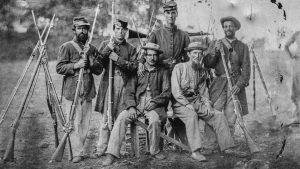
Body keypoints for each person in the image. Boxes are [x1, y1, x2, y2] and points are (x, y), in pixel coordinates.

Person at [172, 41, 247, 162]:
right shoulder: (179, 68)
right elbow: (176, 91)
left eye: (200, 53)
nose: (198, 56)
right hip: (180, 103)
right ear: (189, 54)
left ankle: (227, 147)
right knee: (192, 116)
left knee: (217, 115)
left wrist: (207, 104)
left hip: (196, 101)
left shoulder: (201, 71)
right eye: (195, 53)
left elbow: (204, 92)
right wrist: (186, 104)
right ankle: (195, 151)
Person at [101, 42, 171, 166]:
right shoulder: (139, 70)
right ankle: (111, 153)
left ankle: (155, 150)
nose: (152, 58)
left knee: (155, 120)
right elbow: (129, 91)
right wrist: (132, 107)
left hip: (154, 105)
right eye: (149, 55)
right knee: (121, 118)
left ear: (158, 56)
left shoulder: (163, 72)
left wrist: (155, 102)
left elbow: (166, 92)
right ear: (145, 55)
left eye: (154, 55)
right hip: (137, 104)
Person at [138, 0, 190, 145]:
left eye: (173, 13)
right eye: (168, 13)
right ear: (164, 14)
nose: (171, 16)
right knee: (159, 109)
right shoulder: (156, 34)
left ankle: (178, 141)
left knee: (179, 108)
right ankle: (157, 142)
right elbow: (146, 53)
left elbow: (187, 59)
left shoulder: (184, 35)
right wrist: (141, 63)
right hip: (159, 79)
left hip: (178, 79)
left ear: (177, 14)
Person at [56, 16, 103, 163]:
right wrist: (75, 66)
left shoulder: (92, 49)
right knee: (73, 123)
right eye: (80, 28)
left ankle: (79, 149)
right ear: (74, 30)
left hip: (87, 90)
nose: (83, 31)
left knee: (85, 123)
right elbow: (59, 68)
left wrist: (91, 61)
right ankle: (77, 152)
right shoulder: (67, 47)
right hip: (72, 91)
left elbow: (99, 70)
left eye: (85, 29)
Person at [91, 15, 138, 158]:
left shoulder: (131, 48)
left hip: (124, 85)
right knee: (107, 116)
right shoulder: (106, 43)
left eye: (123, 29)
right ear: (114, 30)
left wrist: (117, 59)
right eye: (118, 29)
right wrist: (107, 50)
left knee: (119, 117)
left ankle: (120, 148)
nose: (120, 32)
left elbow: (133, 67)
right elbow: (97, 68)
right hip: (108, 84)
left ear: (126, 31)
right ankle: (101, 147)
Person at [204, 16, 250, 135]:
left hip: (234, 86)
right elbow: (208, 64)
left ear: (235, 28)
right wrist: (215, 51)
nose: (227, 28)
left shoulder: (242, 47)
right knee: (213, 113)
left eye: (230, 26)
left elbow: (246, 69)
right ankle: (210, 145)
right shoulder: (216, 43)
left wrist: (239, 84)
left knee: (231, 117)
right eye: (225, 26)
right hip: (219, 84)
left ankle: (228, 145)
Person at [284, 31, 300, 123]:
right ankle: (298, 116)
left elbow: (286, 46)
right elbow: (286, 46)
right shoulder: (297, 34)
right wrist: (291, 56)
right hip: (298, 63)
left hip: (298, 63)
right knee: (296, 89)